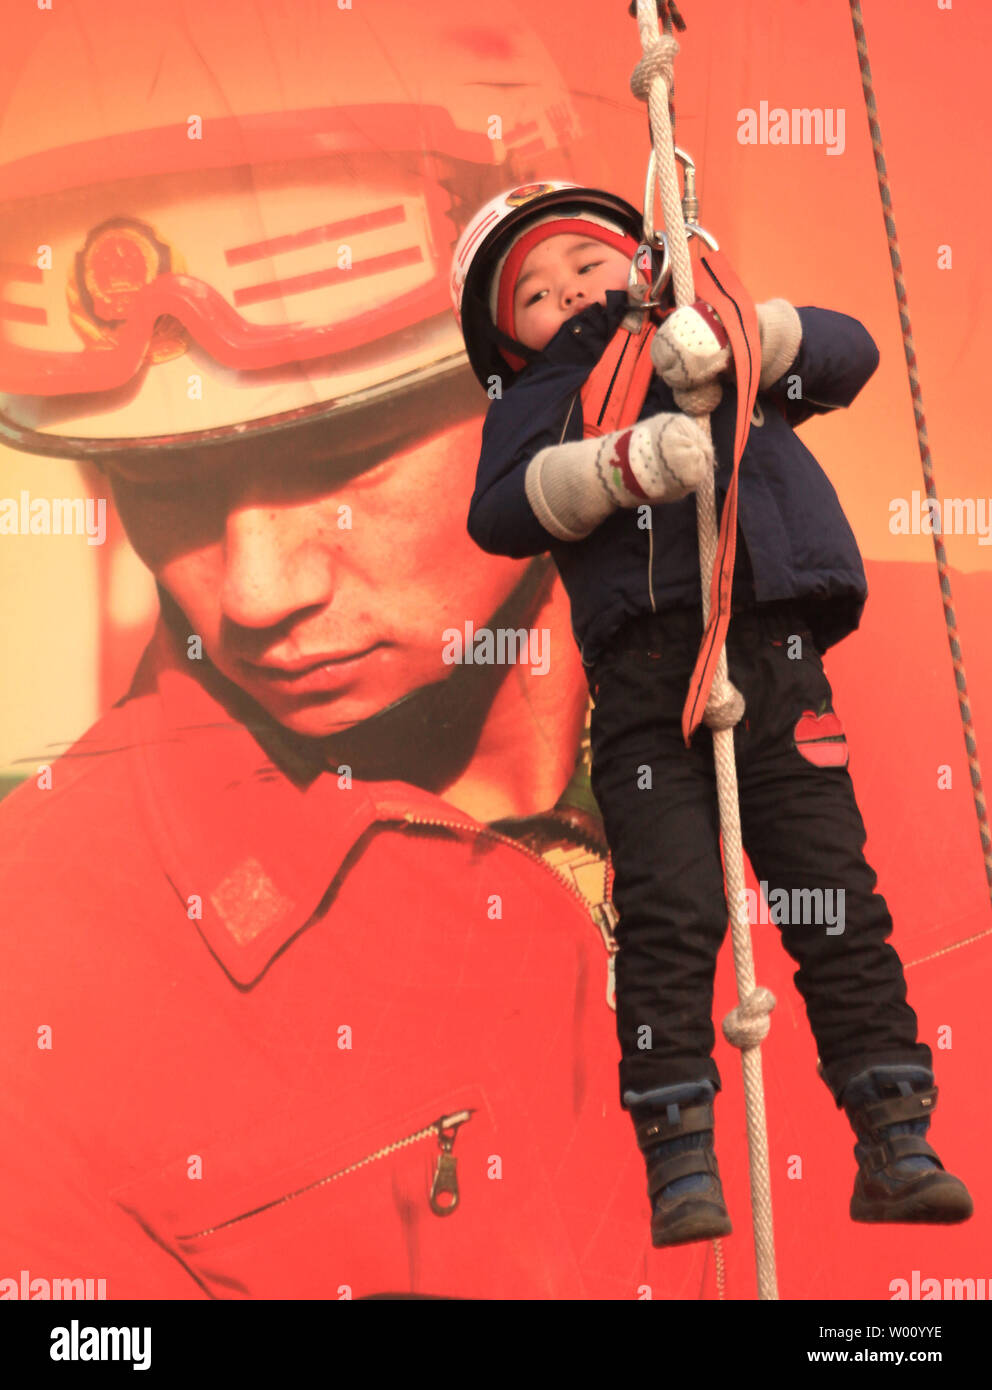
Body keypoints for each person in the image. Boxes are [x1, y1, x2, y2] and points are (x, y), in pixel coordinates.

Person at [0, 1, 721, 1300]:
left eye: (339, 459)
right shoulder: (37, 958)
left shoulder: (934, 701)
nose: (258, 592)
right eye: (162, 482)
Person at [452, 179, 975, 1247]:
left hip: (770, 652)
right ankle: (679, 1153)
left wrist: (750, 338)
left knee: (830, 890)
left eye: (587, 268)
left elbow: (848, 353)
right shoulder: (539, 395)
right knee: (670, 910)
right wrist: (619, 464)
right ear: (511, 339)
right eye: (537, 296)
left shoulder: (712, 328)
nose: (571, 296)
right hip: (645, 675)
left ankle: (892, 1131)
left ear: (638, 257)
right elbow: (498, 510)